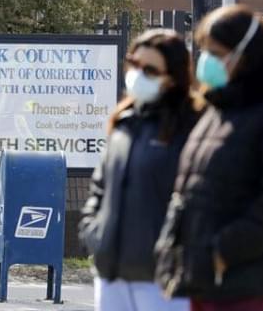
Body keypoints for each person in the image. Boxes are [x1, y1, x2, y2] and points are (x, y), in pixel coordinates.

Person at [154, 5, 263, 311]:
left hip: (243, 282)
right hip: (201, 276)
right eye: (203, 51)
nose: (206, 61)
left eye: (216, 52)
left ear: (245, 53)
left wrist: (221, 252)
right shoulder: (220, 108)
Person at [78, 29, 201, 311]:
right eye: (134, 64)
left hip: (160, 280)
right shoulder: (124, 124)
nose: (138, 74)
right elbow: (100, 188)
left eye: (150, 69)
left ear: (172, 77)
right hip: (111, 274)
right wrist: (93, 233)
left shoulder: (191, 127)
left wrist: (174, 252)